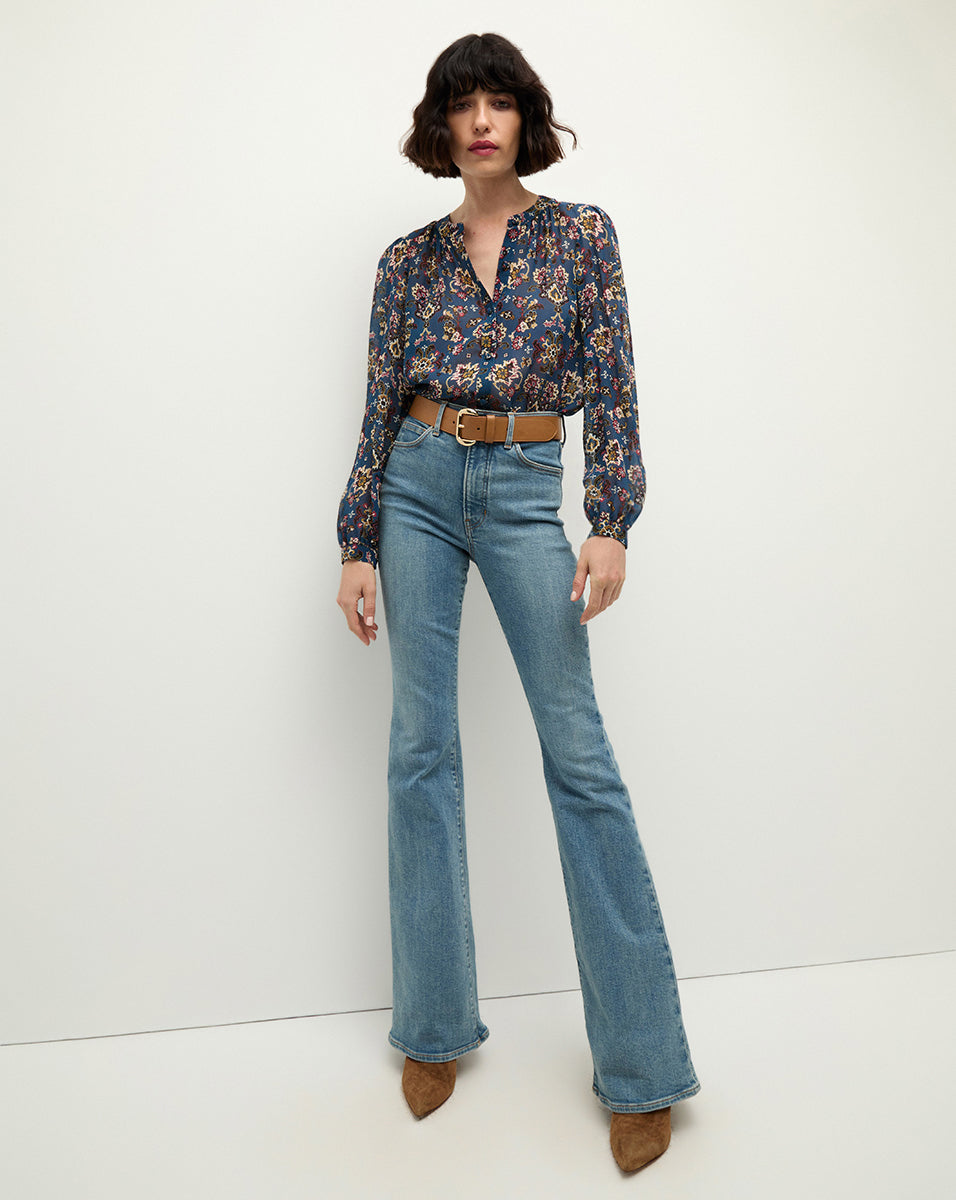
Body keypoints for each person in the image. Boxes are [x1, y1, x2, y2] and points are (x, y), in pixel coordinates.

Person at [336, 32, 700, 1173]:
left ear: (524, 119)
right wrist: (356, 540)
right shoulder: (407, 261)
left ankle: (641, 1066)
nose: (482, 121)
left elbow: (616, 387)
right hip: (415, 484)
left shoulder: (581, 237)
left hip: (525, 483)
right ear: (440, 126)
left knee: (578, 754)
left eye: (499, 102)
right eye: (463, 105)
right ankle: (432, 1027)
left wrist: (610, 519)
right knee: (419, 749)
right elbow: (377, 403)